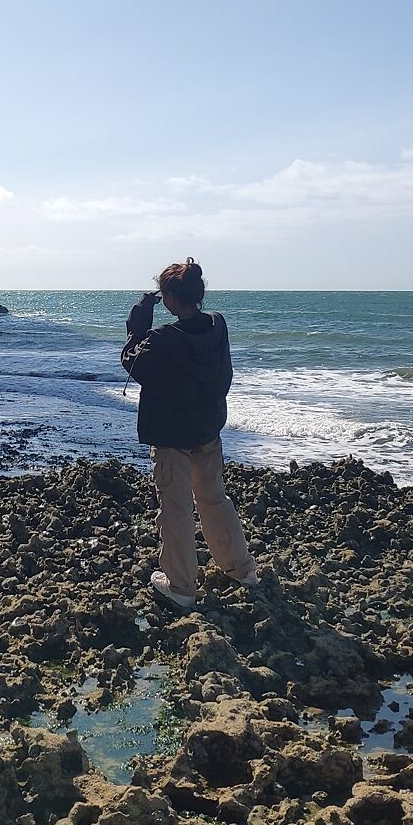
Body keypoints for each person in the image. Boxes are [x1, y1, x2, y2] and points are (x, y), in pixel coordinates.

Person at [120, 257, 259, 608]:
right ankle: (241, 569)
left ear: (169, 298)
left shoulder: (163, 339)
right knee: (214, 497)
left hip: (171, 435)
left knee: (176, 507)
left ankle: (181, 586)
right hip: (207, 426)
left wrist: (137, 325)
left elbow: (133, 360)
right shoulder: (217, 325)